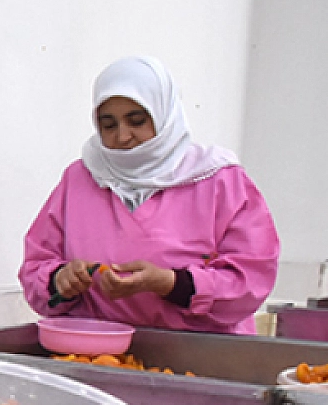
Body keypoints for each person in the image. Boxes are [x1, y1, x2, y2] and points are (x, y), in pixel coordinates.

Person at [19, 55, 280, 334]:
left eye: (137, 121)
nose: (122, 137)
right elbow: (37, 264)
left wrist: (169, 283)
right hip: (98, 354)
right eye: (109, 125)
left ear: (164, 115)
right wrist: (61, 280)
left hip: (203, 355)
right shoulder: (80, 179)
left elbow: (252, 276)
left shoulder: (218, 180)